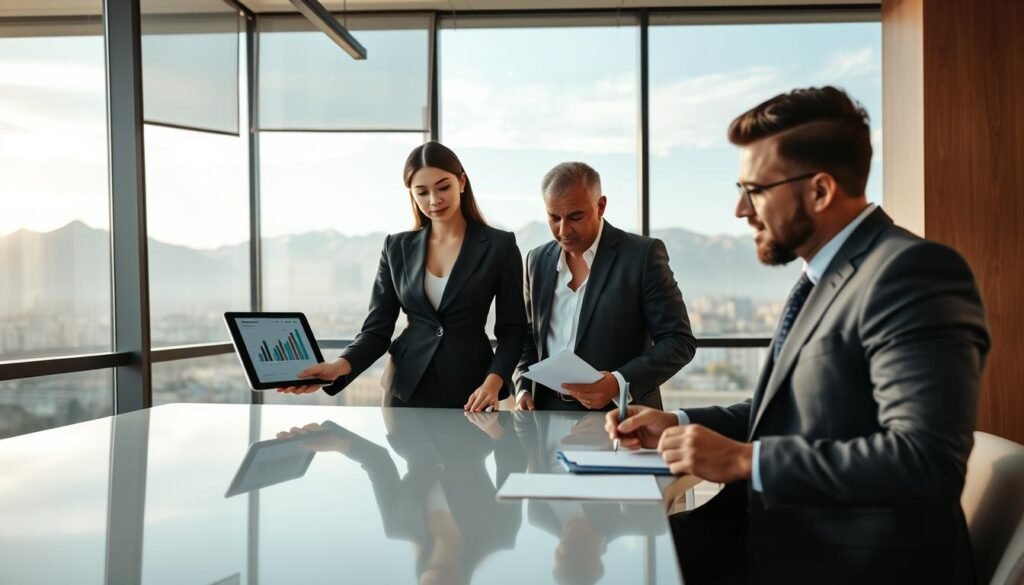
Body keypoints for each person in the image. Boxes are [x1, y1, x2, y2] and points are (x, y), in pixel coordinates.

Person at [606, 86, 990, 584]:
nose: (740, 210)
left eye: (755, 189)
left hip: (846, 561)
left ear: (821, 191)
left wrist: (747, 460)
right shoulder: (823, 278)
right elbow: (786, 413)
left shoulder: (911, 272)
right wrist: (675, 421)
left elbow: (925, 461)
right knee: (609, 559)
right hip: (778, 535)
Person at [278, 141, 526, 411]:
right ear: (412, 194)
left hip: (473, 392)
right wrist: (339, 366)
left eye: (443, 187)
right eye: (422, 192)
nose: (434, 200)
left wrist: (492, 383)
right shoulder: (396, 248)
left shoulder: (499, 246)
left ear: (462, 182)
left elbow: (512, 331)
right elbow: (376, 330)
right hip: (404, 389)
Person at [514, 162, 696, 412]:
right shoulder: (536, 260)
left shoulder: (642, 256)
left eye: (575, 217)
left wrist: (617, 383)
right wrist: (523, 385)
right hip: (544, 416)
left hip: (620, 417)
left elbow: (679, 341)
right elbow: (526, 337)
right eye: (554, 218)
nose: (564, 230)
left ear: (600, 206)